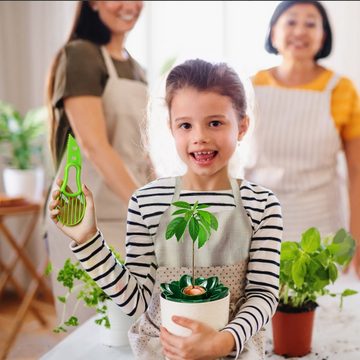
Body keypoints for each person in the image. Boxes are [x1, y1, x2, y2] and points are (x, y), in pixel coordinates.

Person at [49, 59, 283, 359]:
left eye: (215, 122)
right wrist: (87, 239)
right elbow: (136, 301)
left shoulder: (262, 205)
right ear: (171, 129)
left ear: (242, 126)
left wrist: (223, 342)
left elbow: (263, 295)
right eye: (185, 125)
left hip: (234, 352)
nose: (199, 136)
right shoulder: (146, 202)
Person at [45, 0, 153, 323]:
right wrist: (146, 207)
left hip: (128, 214)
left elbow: (141, 150)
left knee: (134, 326)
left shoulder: (137, 69)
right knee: (91, 329)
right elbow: (93, 145)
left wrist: (162, 198)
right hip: (82, 215)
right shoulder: (80, 55)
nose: (129, 5)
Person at [244, 0, 360, 276]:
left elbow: (357, 172)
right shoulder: (250, 87)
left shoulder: (341, 90)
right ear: (274, 33)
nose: (300, 30)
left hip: (321, 228)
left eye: (311, 23)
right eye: (291, 21)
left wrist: (356, 239)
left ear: (324, 36)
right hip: (257, 226)